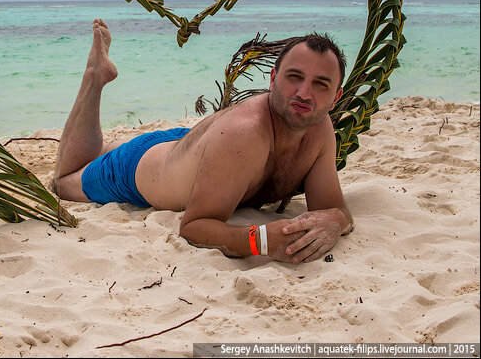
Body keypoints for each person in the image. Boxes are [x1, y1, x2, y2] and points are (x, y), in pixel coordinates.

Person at [53, 18, 353, 263]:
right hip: (138, 170)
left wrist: (334, 223)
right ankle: (94, 77)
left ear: (336, 96)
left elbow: (334, 209)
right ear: (273, 78)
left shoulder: (318, 127)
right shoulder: (245, 134)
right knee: (65, 180)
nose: (304, 93)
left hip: (196, 147)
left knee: (99, 154)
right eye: (294, 77)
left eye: (320, 84)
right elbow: (194, 228)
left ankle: (107, 141)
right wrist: (259, 240)